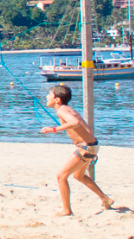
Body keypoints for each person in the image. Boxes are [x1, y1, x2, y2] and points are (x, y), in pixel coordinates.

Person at [40, 84, 114, 215]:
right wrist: (92, 148)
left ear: (57, 99)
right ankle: (105, 199)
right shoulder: (67, 109)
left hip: (86, 147)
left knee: (61, 176)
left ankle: (66, 210)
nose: (46, 96)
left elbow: (75, 122)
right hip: (91, 146)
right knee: (78, 175)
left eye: (49, 94)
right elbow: (83, 127)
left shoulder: (62, 110)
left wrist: (54, 129)